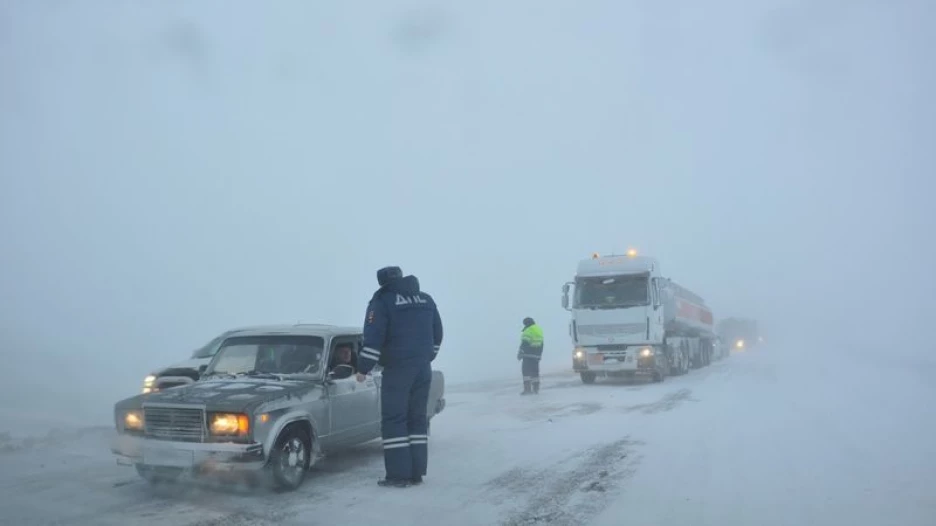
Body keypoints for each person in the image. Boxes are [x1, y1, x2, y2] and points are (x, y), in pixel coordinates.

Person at [357, 265, 443, 488]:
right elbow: (438, 334)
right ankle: (416, 473)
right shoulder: (425, 300)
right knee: (416, 420)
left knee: (394, 421)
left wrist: (363, 368)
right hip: (422, 369)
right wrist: (426, 357)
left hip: (397, 370)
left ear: (382, 282)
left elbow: (373, 337)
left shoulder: (382, 301)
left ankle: (397, 476)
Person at [516, 317, 544, 395]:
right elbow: (542, 344)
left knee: (526, 372)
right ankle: (536, 389)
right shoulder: (538, 330)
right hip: (536, 356)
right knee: (535, 373)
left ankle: (527, 390)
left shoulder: (527, 331)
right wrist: (539, 355)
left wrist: (520, 353)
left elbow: (524, 343)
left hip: (528, 355)